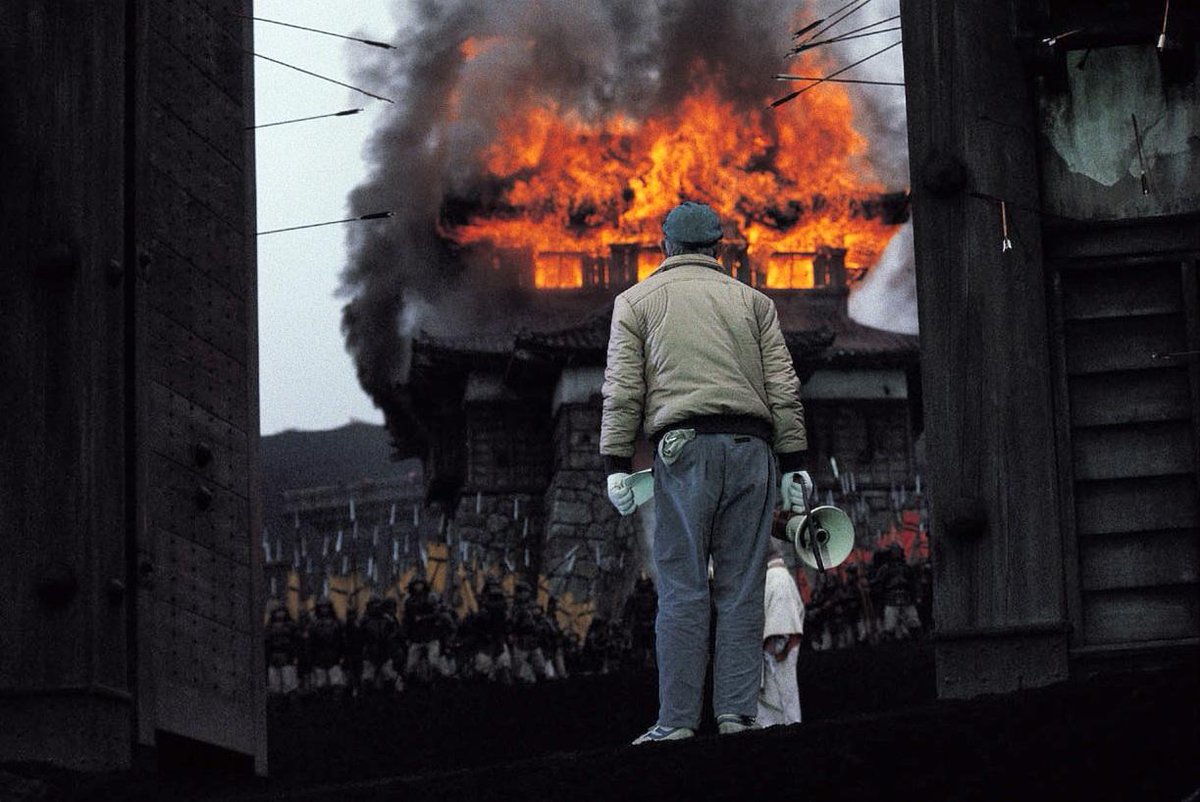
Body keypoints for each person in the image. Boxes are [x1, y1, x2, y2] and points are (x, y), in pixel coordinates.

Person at [600, 201, 812, 744]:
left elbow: (622, 391)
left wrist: (616, 464)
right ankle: (736, 717)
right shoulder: (755, 303)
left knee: (683, 589)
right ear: (718, 249)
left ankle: (676, 722)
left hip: (682, 452)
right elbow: (784, 388)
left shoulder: (635, 302)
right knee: (743, 590)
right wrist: (794, 463)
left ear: (665, 246)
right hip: (751, 451)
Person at [758, 550, 805, 726]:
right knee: (776, 698)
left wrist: (777, 649)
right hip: (773, 649)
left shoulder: (777, 577)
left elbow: (784, 623)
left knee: (781, 699)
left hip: (777, 650)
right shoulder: (777, 577)